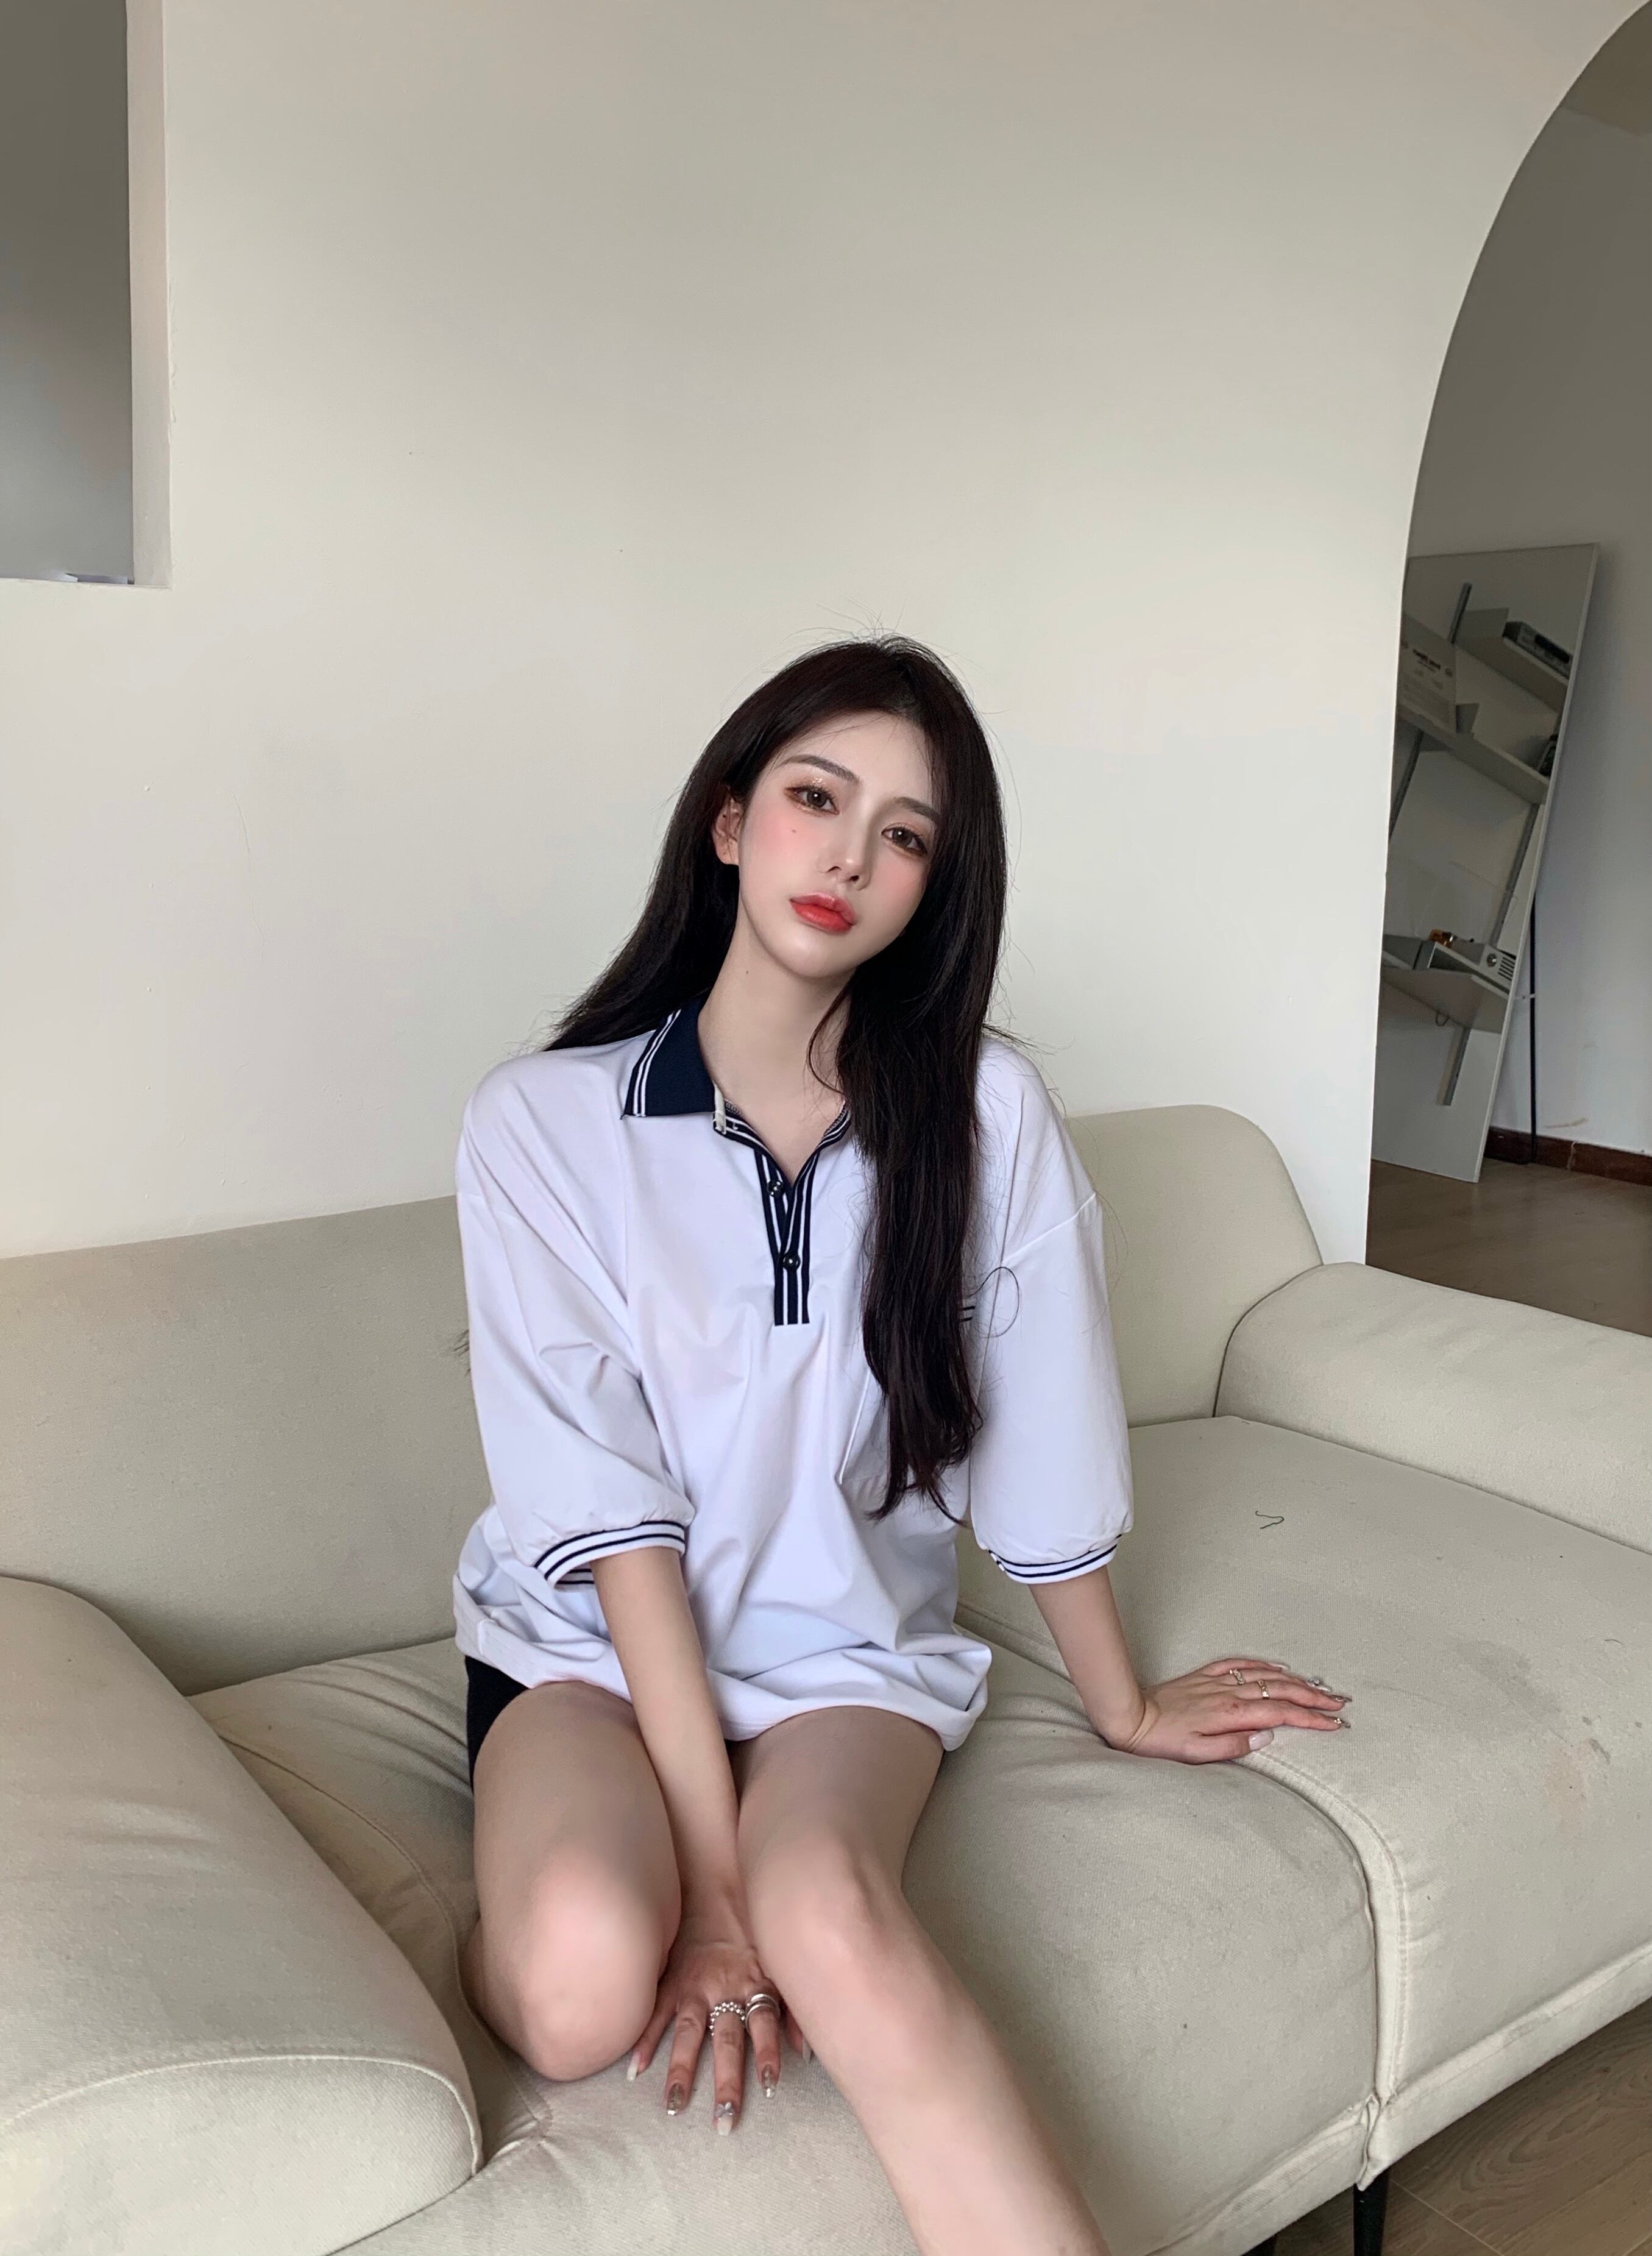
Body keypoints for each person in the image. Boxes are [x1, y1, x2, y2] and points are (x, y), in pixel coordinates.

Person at [452, 636, 1349, 2256]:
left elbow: (1047, 1433)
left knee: (828, 1910)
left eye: (907, 833)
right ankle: (547, 1870)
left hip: (845, 1652)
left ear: (936, 883)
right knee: (582, 1985)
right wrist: (704, 1893)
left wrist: (1125, 1703)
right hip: (588, 1651)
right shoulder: (544, 1124)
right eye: (817, 798)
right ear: (732, 820)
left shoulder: (987, 1115)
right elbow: (614, 1520)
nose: (851, 857)